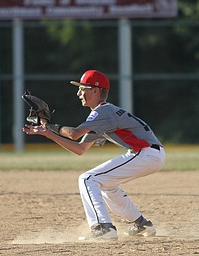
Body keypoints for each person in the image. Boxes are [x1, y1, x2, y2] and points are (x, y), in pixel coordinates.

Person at [23, 70, 165, 241]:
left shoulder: (103, 112)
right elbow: (80, 148)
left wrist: (50, 126)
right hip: (148, 154)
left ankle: (103, 228)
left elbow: (74, 133)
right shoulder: (101, 116)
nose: (78, 93)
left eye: (82, 88)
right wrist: (48, 133)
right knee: (106, 185)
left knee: (88, 179)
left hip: (146, 153)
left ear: (96, 90)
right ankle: (142, 224)